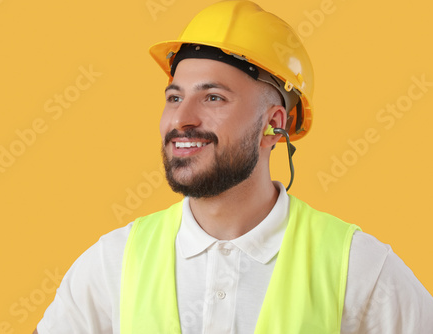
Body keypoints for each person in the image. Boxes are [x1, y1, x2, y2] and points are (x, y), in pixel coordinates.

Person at [35, 1, 433, 333]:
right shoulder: (112, 264)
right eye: (174, 98)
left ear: (274, 125)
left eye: (213, 98)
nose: (182, 119)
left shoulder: (356, 266)